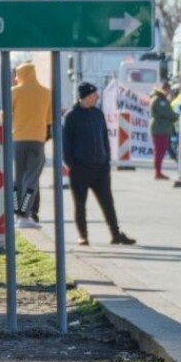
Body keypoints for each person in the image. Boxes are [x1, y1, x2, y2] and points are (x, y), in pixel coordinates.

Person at [61, 82, 136, 247]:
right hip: (80, 168)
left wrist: (106, 162)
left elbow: (104, 139)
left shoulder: (98, 114)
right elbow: (65, 143)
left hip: (100, 168)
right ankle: (83, 236)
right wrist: (71, 164)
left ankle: (116, 234)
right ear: (86, 96)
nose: (97, 97)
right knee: (80, 204)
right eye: (94, 94)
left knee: (108, 203)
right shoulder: (71, 116)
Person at [11, 62, 51, 229]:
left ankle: (16, 213)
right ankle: (25, 214)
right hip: (37, 140)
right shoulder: (46, 93)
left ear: (21, 75)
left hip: (18, 140)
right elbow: (50, 119)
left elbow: (5, 114)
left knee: (18, 178)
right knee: (31, 178)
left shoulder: (14, 92)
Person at [149, 80, 179, 180]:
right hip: (160, 128)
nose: (169, 92)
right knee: (159, 151)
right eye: (168, 90)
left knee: (160, 151)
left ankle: (158, 171)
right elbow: (167, 113)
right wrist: (176, 116)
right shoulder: (160, 100)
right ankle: (157, 172)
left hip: (161, 128)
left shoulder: (158, 99)